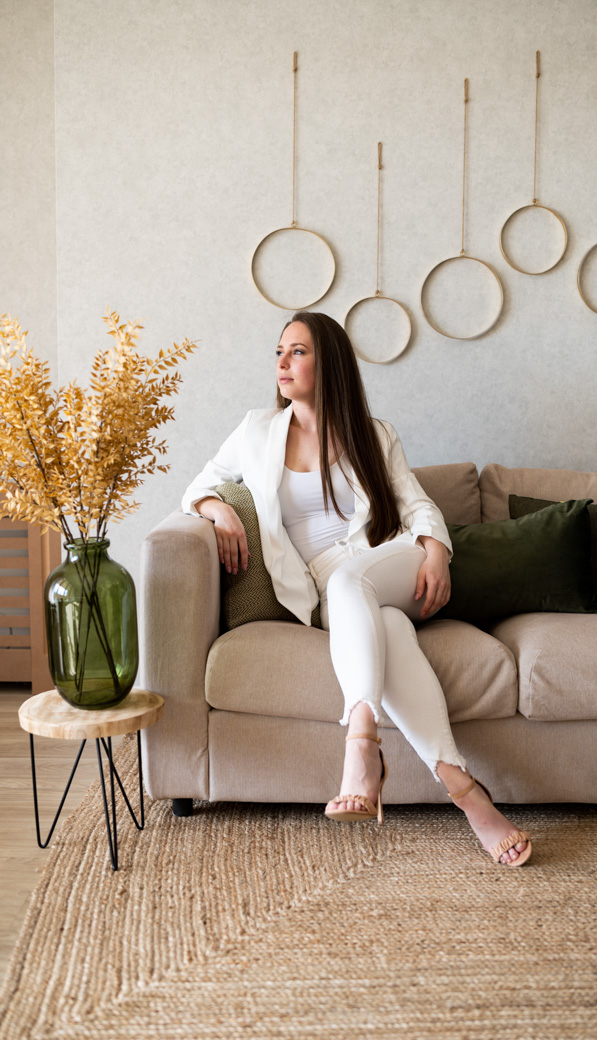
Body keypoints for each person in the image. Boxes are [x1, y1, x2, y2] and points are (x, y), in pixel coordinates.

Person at [182, 311, 532, 866]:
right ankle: (467, 793)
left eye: (298, 351)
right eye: (279, 351)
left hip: (394, 563)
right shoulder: (256, 431)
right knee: (384, 625)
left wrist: (436, 551)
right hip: (331, 591)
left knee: (354, 579)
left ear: (330, 363)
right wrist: (218, 508)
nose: (282, 362)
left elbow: (416, 504)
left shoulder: (373, 434)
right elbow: (198, 486)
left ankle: (361, 741)